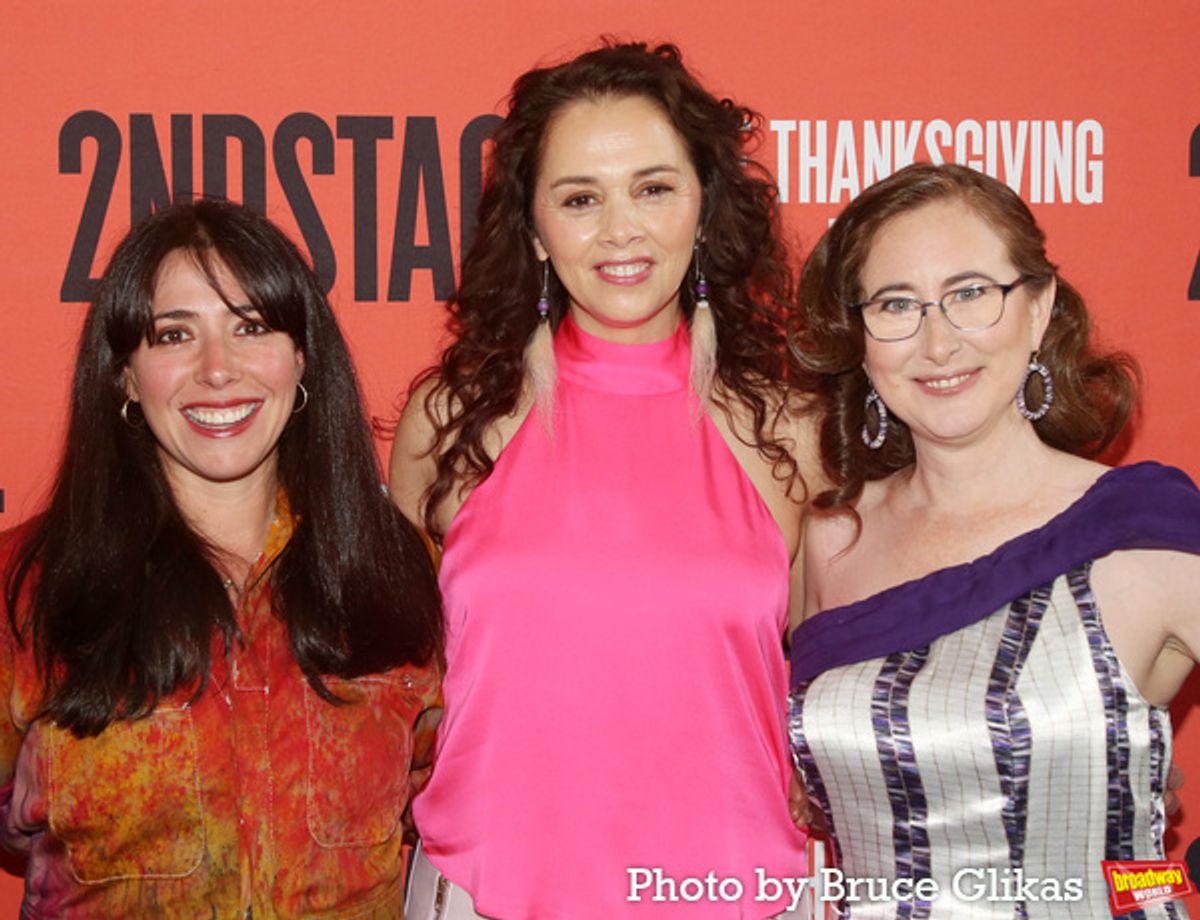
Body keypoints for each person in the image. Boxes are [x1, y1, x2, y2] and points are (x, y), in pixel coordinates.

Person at [391, 41, 819, 919]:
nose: (620, 229)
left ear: (704, 208)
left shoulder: (789, 434)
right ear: (534, 229)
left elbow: (838, 689)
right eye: (580, 198)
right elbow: (396, 684)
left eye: (653, 189)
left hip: (737, 893)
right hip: (485, 893)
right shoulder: (453, 422)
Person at [0, 199, 443, 918]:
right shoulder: (29, 586)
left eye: (251, 326)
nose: (217, 369)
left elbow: (443, 790)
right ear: (125, 374)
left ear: (302, 357)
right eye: (175, 334)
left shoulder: (395, 571)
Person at [788, 162, 1200, 918]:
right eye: (897, 304)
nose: (938, 342)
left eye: (971, 293)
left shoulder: (1145, 532)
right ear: (860, 338)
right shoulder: (830, 539)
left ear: (1038, 310)